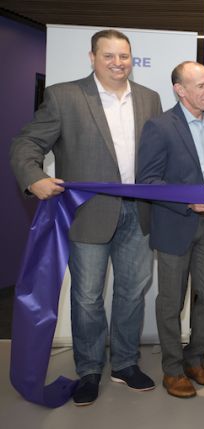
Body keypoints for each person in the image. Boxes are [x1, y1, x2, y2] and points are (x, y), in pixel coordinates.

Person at [9, 29, 162, 406]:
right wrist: (35, 178)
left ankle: (125, 363)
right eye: (108, 55)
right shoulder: (64, 96)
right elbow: (25, 144)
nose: (117, 63)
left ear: (132, 58)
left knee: (131, 292)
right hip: (88, 214)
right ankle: (90, 368)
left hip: (139, 214)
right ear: (92, 58)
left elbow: (160, 155)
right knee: (88, 296)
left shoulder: (149, 98)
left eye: (123, 56)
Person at [136, 61, 204, 399]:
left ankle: (195, 361)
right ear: (180, 90)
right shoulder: (160, 127)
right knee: (171, 302)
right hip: (175, 224)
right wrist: (188, 203)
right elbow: (147, 181)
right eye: (202, 86)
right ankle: (173, 370)